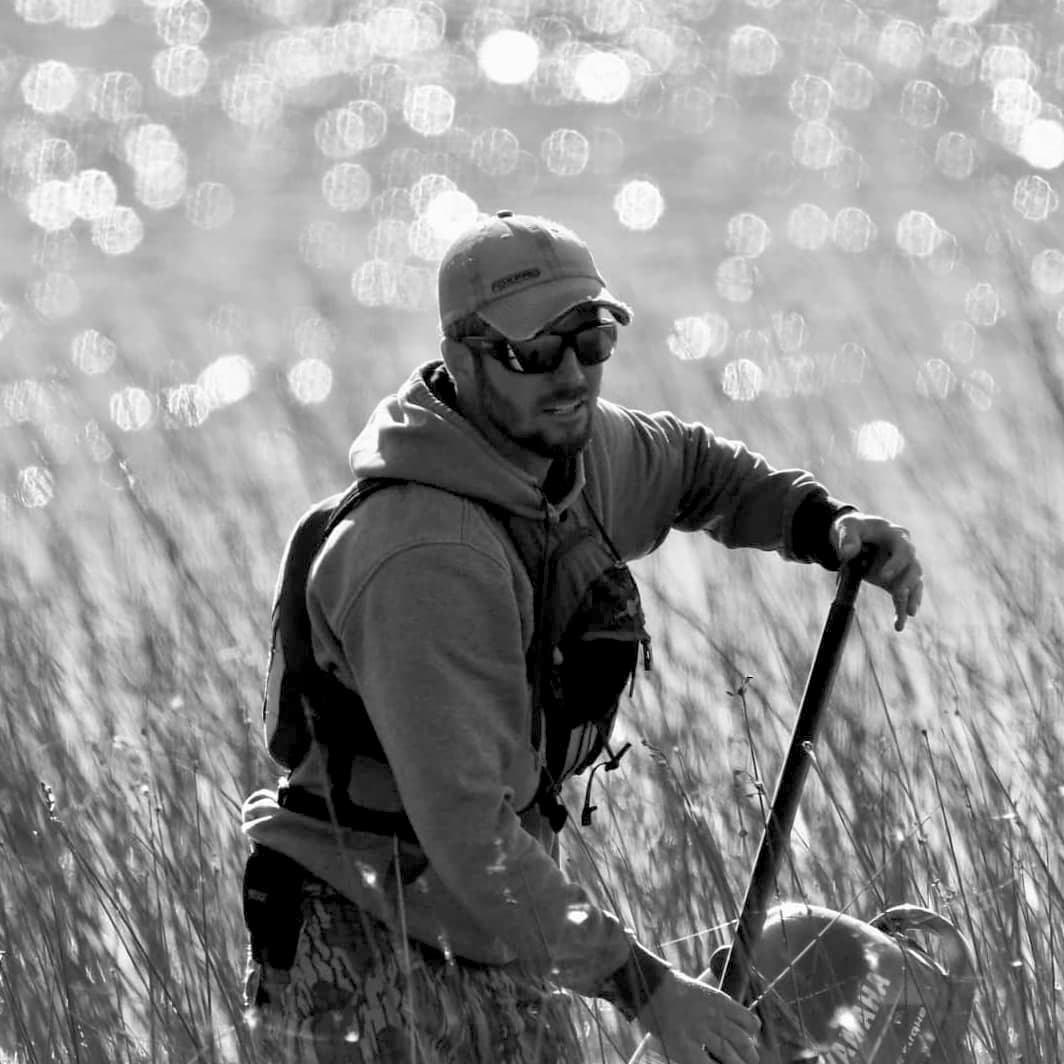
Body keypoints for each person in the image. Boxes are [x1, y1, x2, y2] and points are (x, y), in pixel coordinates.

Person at [240, 210, 923, 1064]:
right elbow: (471, 838)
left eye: (590, 340)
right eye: (535, 351)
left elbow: (693, 468)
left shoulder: (573, 450)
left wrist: (826, 525)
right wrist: (648, 990)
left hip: (489, 929)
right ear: (462, 356)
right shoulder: (424, 560)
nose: (570, 374)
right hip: (356, 936)